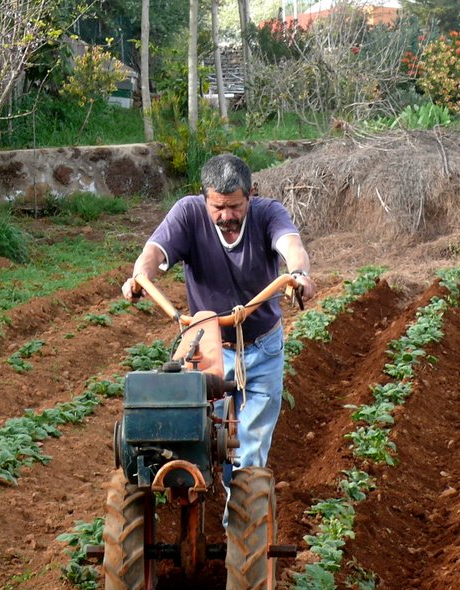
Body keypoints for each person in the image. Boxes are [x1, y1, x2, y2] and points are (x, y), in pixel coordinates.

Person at [121, 153, 316, 479]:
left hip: (262, 349)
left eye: (235, 206)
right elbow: (154, 252)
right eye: (218, 207)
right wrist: (141, 275)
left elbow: (291, 245)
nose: (227, 215)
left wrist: (298, 274)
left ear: (250, 194)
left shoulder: (268, 214)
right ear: (204, 198)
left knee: (247, 453)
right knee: (196, 438)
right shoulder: (188, 213)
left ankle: (241, 521)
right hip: (206, 350)